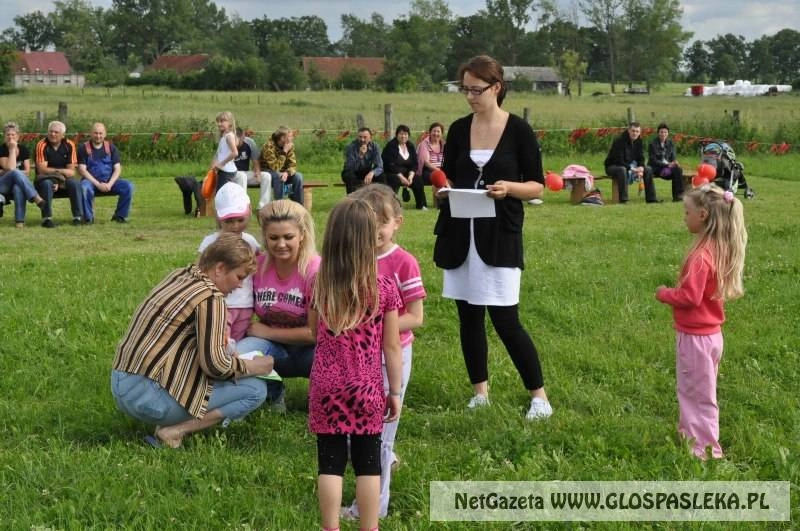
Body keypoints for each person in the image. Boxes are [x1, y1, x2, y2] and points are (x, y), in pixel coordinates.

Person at [433, 54, 553, 420]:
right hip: (460, 235)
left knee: (506, 320)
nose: (469, 96)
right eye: (465, 89)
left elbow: (538, 186)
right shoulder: (458, 129)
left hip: (500, 236)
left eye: (476, 90)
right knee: (468, 318)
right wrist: (444, 189)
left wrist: (509, 188)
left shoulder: (519, 131)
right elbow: (450, 176)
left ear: (496, 88)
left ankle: (539, 398)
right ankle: (480, 393)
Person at [111, 233, 274, 448]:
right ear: (219, 268)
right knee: (255, 390)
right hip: (149, 398)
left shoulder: (179, 275)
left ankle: (169, 418)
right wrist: (255, 366)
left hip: (121, 384)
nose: (240, 285)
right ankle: (173, 431)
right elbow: (215, 366)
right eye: (239, 277)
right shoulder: (211, 298)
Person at [308, 197, 402, 531]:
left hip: (326, 385)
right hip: (368, 387)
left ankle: (329, 527)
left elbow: (313, 332)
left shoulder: (319, 285)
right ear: (369, 240)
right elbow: (392, 345)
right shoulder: (384, 288)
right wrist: (395, 391)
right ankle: (369, 527)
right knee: (368, 465)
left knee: (330, 464)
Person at [342, 184, 426, 520]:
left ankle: (370, 509)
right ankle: (383, 464)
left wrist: (373, 329)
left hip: (391, 357)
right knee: (351, 431)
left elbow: (415, 317)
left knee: (377, 436)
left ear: (397, 223)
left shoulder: (404, 262)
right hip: (354, 358)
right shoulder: (352, 260)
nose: (376, 229)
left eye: (383, 221)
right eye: (369, 222)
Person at [656, 184, 747, 460]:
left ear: (703, 215)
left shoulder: (701, 256)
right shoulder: (718, 249)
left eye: (687, 212)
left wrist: (664, 293)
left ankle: (705, 450)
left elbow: (690, 297)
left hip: (696, 339)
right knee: (698, 390)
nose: (685, 217)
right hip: (711, 337)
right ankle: (691, 434)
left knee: (696, 393)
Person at [235, 199, 320, 410]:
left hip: (311, 350)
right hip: (273, 348)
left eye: (288, 237)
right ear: (265, 236)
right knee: (238, 354)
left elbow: (314, 333)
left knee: (334, 356)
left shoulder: (315, 270)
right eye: (273, 237)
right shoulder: (257, 266)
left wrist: (267, 332)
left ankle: (321, 395)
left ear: (302, 235)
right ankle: (273, 393)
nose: (280, 244)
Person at [198, 182, 260, 343]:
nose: (235, 226)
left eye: (240, 220)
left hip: (245, 304)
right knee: (220, 342)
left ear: (249, 211)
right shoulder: (210, 242)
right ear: (218, 218)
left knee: (238, 345)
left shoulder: (251, 242)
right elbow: (199, 271)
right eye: (229, 221)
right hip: (221, 303)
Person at [76, 122, 135, 223]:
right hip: (91, 182)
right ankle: (88, 218)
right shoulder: (83, 148)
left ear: (105, 134)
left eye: (100, 133)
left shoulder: (111, 147)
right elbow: (82, 170)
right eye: (95, 133)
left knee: (128, 186)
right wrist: (98, 184)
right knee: (84, 188)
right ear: (91, 133)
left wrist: (109, 184)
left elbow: (117, 168)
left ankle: (120, 216)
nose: (98, 136)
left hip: (109, 182)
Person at [34, 120, 83, 227]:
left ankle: (77, 217)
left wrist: (59, 178)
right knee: (47, 184)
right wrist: (58, 176)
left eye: (56, 132)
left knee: (75, 183)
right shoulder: (41, 145)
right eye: (50, 131)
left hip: (64, 180)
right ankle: (46, 219)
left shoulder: (70, 145)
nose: (52, 134)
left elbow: (71, 172)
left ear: (63, 135)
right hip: (44, 179)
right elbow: (42, 170)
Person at [0, 121, 45, 228]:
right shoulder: (1, 149)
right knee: (15, 172)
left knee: (18, 187)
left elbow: (27, 172)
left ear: (18, 136)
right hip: (3, 185)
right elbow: (10, 168)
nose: (10, 137)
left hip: (19, 182)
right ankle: (36, 197)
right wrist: (12, 150)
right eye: (8, 135)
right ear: (4, 136)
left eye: (13, 134)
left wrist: (10, 172)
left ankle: (19, 221)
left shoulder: (23, 149)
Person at [604, 122, 660, 204]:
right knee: (622, 169)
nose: (635, 133)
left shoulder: (639, 141)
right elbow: (618, 160)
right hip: (613, 166)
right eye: (633, 131)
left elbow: (641, 157)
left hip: (629, 165)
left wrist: (641, 167)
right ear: (628, 130)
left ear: (640, 132)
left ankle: (652, 199)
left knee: (648, 169)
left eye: (637, 131)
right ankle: (624, 200)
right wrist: (632, 169)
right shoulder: (619, 141)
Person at [381, 124, 426, 210]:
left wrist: (411, 176)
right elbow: (390, 164)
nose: (403, 136)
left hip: (407, 174)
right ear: (397, 135)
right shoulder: (391, 146)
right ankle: (393, 206)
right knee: (395, 180)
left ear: (408, 135)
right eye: (401, 134)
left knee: (418, 180)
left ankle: (421, 205)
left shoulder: (410, 146)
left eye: (405, 134)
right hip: (392, 173)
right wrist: (401, 177)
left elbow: (414, 163)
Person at [258, 126, 304, 205]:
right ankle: (280, 204)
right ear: (283, 138)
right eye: (290, 136)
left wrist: (287, 173)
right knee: (278, 176)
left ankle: (298, 206)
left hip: (283, 173)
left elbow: (293, 165)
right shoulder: (268, 146)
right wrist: (284, 151)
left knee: (298, 176)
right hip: (267, 171)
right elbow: (275, 167)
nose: (292, 138)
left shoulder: (289, 145)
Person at [233, 127, 272, 208]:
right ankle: (242, 206)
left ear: (243, 137)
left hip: (245, 173)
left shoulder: (249, 143)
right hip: (231, 174)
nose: (237, 142)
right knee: (242, 176)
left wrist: (257, 173)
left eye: (240, 139)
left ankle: (263, 206)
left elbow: (255, 161)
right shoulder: (228, 143)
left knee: (266, 176)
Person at [648, 122, 684, 202]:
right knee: (676, 171)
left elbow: (673, 157)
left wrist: (675, 162)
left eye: (665, 132)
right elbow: (653, 160)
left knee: (678, 169)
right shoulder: (652, 144)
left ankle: (678, 196)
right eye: (661, 132)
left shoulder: (670, 143)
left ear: (668, 133)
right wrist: (667, 165)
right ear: (658, 133)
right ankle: (678, 195)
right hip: (657, 169)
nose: (663, 134)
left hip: (667, 169)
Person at [341, 127, 383, 194]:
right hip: (352, 172)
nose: (362, 139)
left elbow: (379, 166)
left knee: (381, 176)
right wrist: (360, 155)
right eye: (360, 137)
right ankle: (353, 198)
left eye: (365, 137)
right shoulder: (351, 147)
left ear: (370, 138)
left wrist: (372, 173)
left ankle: (381, 198)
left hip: (366, 171)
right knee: (349, 176)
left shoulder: (375, 147)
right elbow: (350, 167)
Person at [417, 122, 446, 209]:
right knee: (438, 177)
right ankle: (438, 203)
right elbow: (426, 162)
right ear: (430, 132)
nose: (436, 133)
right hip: (428, 170)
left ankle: (447, 201)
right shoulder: (424, 144)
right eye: (434, 131)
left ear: (441, 134)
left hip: (442, 169)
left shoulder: (444, 144)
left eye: (438, 131)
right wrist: (439, 170)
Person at [211, 111, 239, 193]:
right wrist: (214, 164)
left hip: (227, 172)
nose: (219, 124)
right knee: (220, 194)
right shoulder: (224, 136)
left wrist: (221, 164)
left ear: (230, 122)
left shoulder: (229, 136)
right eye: (218, 121)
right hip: (223, 170)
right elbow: (220, 153)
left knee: (221, 195)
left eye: (222, 121)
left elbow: (235, 153)